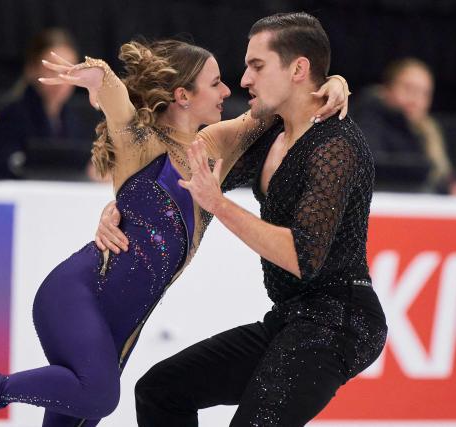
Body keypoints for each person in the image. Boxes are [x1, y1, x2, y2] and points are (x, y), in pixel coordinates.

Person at [0, 36, 349, 426]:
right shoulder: (141, 144)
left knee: (83, 413)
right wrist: (97, 75)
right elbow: (114, 95)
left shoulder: (217, 148)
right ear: (182, 95)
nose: (228, 90)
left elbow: (282, 107)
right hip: (77, 295)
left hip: (122, 328)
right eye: (215, 83)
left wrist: (334, 84)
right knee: (101, 394)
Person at [96, 12, 386, 426]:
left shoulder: (335, 147)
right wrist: (119, 209)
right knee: (161, 391)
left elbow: (303, 257)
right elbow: (177, 182)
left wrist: (219, 205)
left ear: (298, 69)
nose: (245, 79)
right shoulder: (271, 135)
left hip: (340, 321)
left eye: (257, 66)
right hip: (290, 318)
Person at [0, 28, 91, 180]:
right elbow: (0, 170)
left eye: (69, 71)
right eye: (51, 70)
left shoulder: (75, 121)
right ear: (32, 69)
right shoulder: (12, 117)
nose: (61, 80)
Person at [353, 57, 456, 195]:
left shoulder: (428, 132)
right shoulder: (367, 120)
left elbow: (445, 175)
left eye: (424, 93)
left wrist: (453, 186)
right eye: (408, 88)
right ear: (387, 89)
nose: (415, 99)